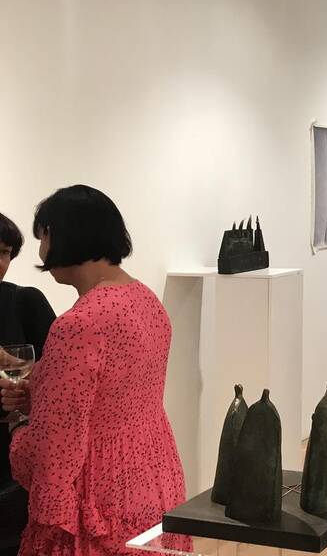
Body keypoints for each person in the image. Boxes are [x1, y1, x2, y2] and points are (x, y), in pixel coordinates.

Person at [0, 185, 185, 556]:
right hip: (153, 479)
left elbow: (52, 456)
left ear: (61, 235)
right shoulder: (145, 300)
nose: (40, 251)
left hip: (98, 500)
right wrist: (40, 392)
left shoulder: (79, 325)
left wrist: (19, 421)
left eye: (42, 237)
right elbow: (111, 398)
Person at [0, 213, 56, 556]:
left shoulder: (25, 302)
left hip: (13, 466)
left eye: (4, 253)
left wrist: (13, 366)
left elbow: (59, 379)